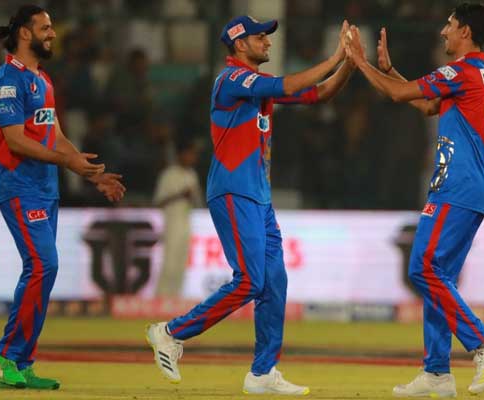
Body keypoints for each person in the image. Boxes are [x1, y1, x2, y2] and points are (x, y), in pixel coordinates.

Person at [146, 16, 354, 395]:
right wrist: (336, 54)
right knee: (250, 280)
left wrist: (349, 64)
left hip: (259, 196)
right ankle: (170, 332)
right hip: (233, 190)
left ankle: (262, 373)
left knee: (274, 282)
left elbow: (319, 94)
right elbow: (288, 83)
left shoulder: (257, 88)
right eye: (261, 37)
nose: (268, 43)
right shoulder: (232, 80)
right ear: (239, 44)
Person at [344, 3, 484, 397]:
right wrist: (388, 71)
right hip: (472, 185)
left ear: (466, 32)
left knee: (421, 267)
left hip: (456, 183)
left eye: (450, 25)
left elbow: (400, 94)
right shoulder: (482, 76)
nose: (443, 31)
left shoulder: (460, 71)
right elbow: (424, 104)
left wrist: (360, 63)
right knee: (439, 276)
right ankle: (437, 373)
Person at [0, 5, 125, 390]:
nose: (53, 34)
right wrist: (70, 164)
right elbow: (15, 139)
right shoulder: (5, 82)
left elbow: (55, 135)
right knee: (43, 265)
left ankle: (21, 362)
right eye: (46, 28)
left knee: (45, 269)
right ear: (25, 34)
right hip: (18, 186)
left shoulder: (42, 81)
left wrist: (90, 174)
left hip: (46, 188)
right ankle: (5, 356)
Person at [153, 138, 203, 297]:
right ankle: (161, 297)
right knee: (170, 262)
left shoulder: (192, 174)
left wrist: (191, 197)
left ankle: (175, 297)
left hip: (186, 221)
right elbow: (159, 201)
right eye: (189, 154)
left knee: (181, 261)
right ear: (181, 155)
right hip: (172, 222)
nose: (192, 158)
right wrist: (180, 195)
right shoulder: (169, 174)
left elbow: (197, 202)